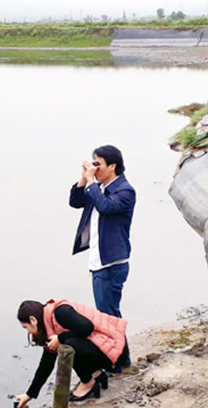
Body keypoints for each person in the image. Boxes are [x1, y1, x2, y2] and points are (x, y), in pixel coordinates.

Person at [69, 145, 135, 371]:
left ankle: (117, 361)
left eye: (98, 164)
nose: (94, 168)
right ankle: (120, 359)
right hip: (98, 260)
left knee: (109, 316)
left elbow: (106, 208)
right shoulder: (98, 189)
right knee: (108, 315)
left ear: (112, 166)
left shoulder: (125, 191)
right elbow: (75, 202)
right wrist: (83, 180)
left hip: (112, 263)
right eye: (92, 163)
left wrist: (92, 183)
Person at [14, 299, 127, 408]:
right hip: (106, 346)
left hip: (114, 348)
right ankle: (97, 375)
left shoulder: (60, 312)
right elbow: (46, 364)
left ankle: (88, 382)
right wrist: (30, 395)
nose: (28, 332)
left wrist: (60, 338)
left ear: (33, 320)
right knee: (68, 344)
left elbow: (87, 327)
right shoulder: (50, 324)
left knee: (68, 345)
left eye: (25, 327)